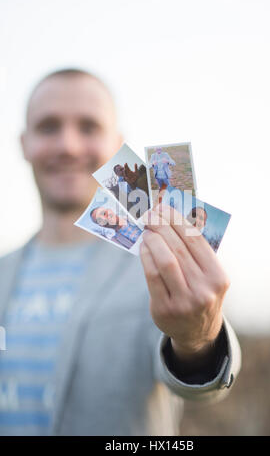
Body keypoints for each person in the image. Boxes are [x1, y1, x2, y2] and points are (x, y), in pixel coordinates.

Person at [0, 68, 241, 436]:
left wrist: (198, 337)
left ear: (117, 144)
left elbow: (199, 384)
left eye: (88, 127)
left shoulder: (158, 266)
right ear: (23, 143)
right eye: (49, 127)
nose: (68, 145)